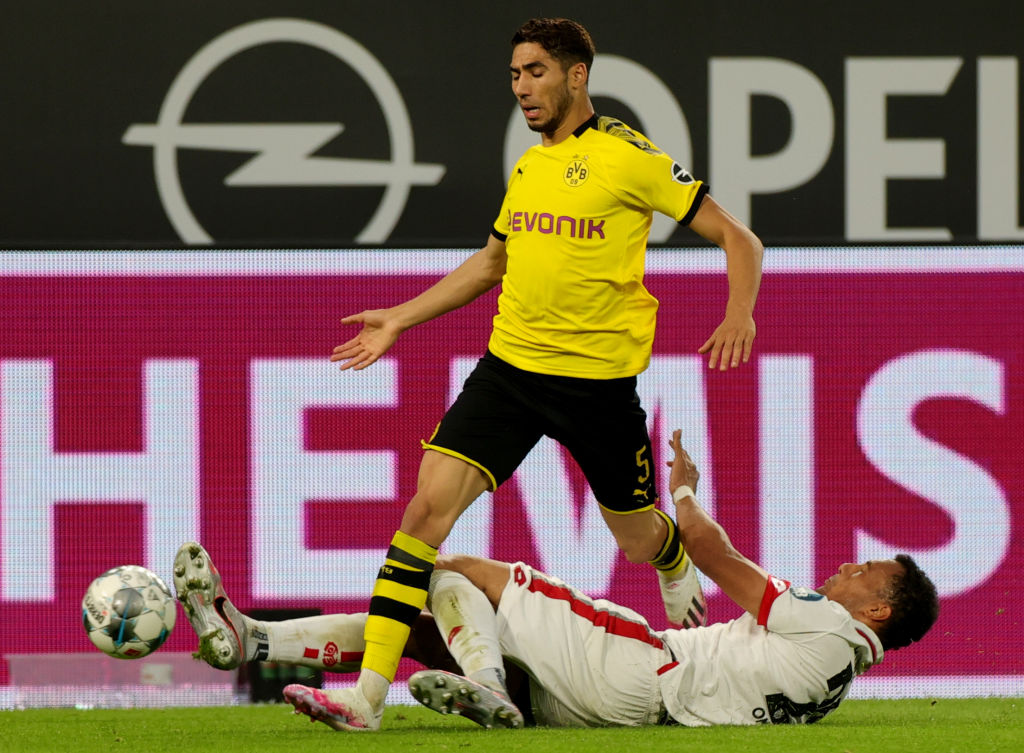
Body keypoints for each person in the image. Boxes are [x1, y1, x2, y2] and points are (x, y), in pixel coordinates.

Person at [319, 16, 763, 729]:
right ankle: (366, 697)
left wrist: (739, 312)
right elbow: (493, 263)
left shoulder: (631, 156)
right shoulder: (529, 167)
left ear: (576, 76)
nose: (522, 89)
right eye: (515, 76)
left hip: (598, 390)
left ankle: (673, 552)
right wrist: (401, 316)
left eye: (535, 72)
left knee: (637, 538)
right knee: (423, 514)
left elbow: (739, 237)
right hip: (510, 374)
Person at [172, 431, 939, 729]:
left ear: (879, 605)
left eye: (865, 569)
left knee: (453, 570)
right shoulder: (837, 676)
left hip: (641, 666)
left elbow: (710, 551)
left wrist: (681, 491)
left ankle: (484, 687)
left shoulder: (831, 623)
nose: (847, 565)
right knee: (424, 621)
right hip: (622, 708)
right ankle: (253, 639)